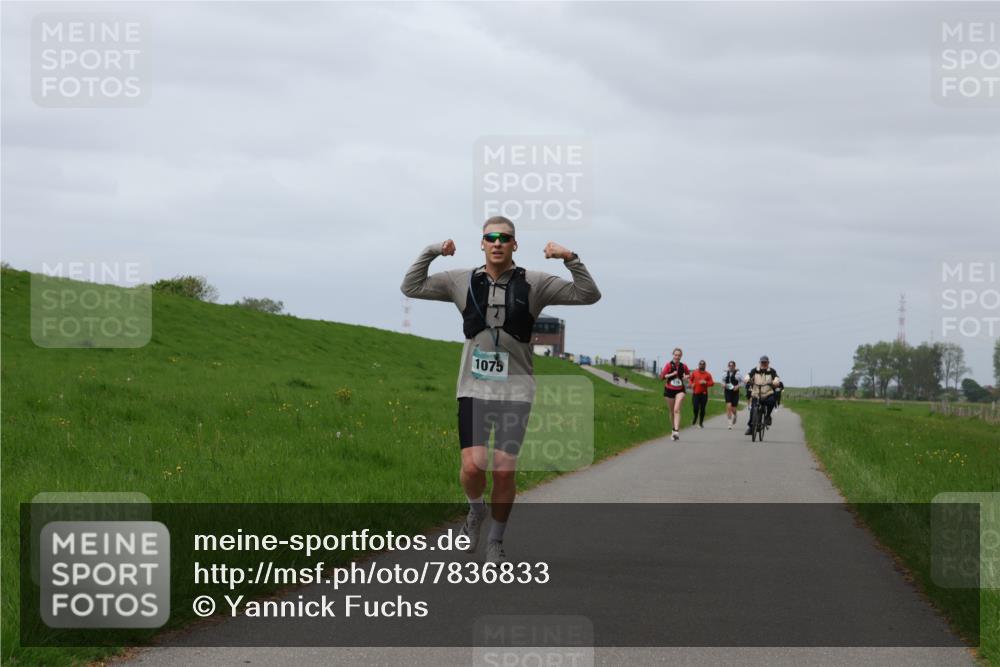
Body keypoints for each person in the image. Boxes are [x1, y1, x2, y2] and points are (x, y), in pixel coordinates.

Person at [401, 216, 600, 563]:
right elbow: (411, 286)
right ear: (482, 243)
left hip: (516, 391)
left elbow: (588, 294)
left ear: (514, 245)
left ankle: (496, 540)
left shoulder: (534, 283)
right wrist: (434, 250)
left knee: (505, 469)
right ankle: (475, 511)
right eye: (490, 237)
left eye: (504, 238)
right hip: (473, 388)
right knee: (474, 465)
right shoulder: (461, 280)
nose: (497, 243)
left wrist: (570, 257)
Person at [658, 347, 691, 440]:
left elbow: (689, 374)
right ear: (673, 355)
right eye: (675, 355)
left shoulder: (683, 366)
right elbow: (661, 377)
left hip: (680, 390)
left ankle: (676, 431)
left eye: (679, 355)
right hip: (669, 390)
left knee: (677, 409)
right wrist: (671, 374)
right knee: (672, 411)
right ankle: (673, 429)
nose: (677, 357)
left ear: (681, 356)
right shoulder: (668, 365)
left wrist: (686, 377)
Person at [744, 355, 782, 435]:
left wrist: (775, 381)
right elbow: (749, 375)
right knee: (752, 411)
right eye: (762, 362)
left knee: (771, 401)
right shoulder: (755, 370)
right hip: (756, 394)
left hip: (767, 393)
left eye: (765, 362)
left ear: (768, 363)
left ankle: (768, 416)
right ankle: (751, 427)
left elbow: (776, 377)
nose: (764, 364)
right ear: (760, 362)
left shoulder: (771, 371)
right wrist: (747, 378)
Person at [688, 360, 714, 428]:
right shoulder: (694, 373)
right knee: (695, 407)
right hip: (695, 393)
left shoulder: (708, 374)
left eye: (703, 364)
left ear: (705, 366)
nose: (702, 365)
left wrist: (705, 382)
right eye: (700, 364)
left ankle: (701, 423)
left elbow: (712, 383)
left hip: (704, 394)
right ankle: (695, 417)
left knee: (702, 409)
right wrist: (691, 384)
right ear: (698, 365)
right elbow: (690, 380)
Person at [721, 361, 741, 429]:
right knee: (728, 406)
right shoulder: (725, 373)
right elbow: (722, 381)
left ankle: (735, 416)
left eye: (732, 366)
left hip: (735, 392)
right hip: (727, 391)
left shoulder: (738, 374)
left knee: (733, 409)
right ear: (728, 366)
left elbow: (743, 382)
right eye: (729, 365)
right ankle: (729, 424)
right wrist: (723, 385)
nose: (731, 367)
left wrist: (738, 386)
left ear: (734, 366)